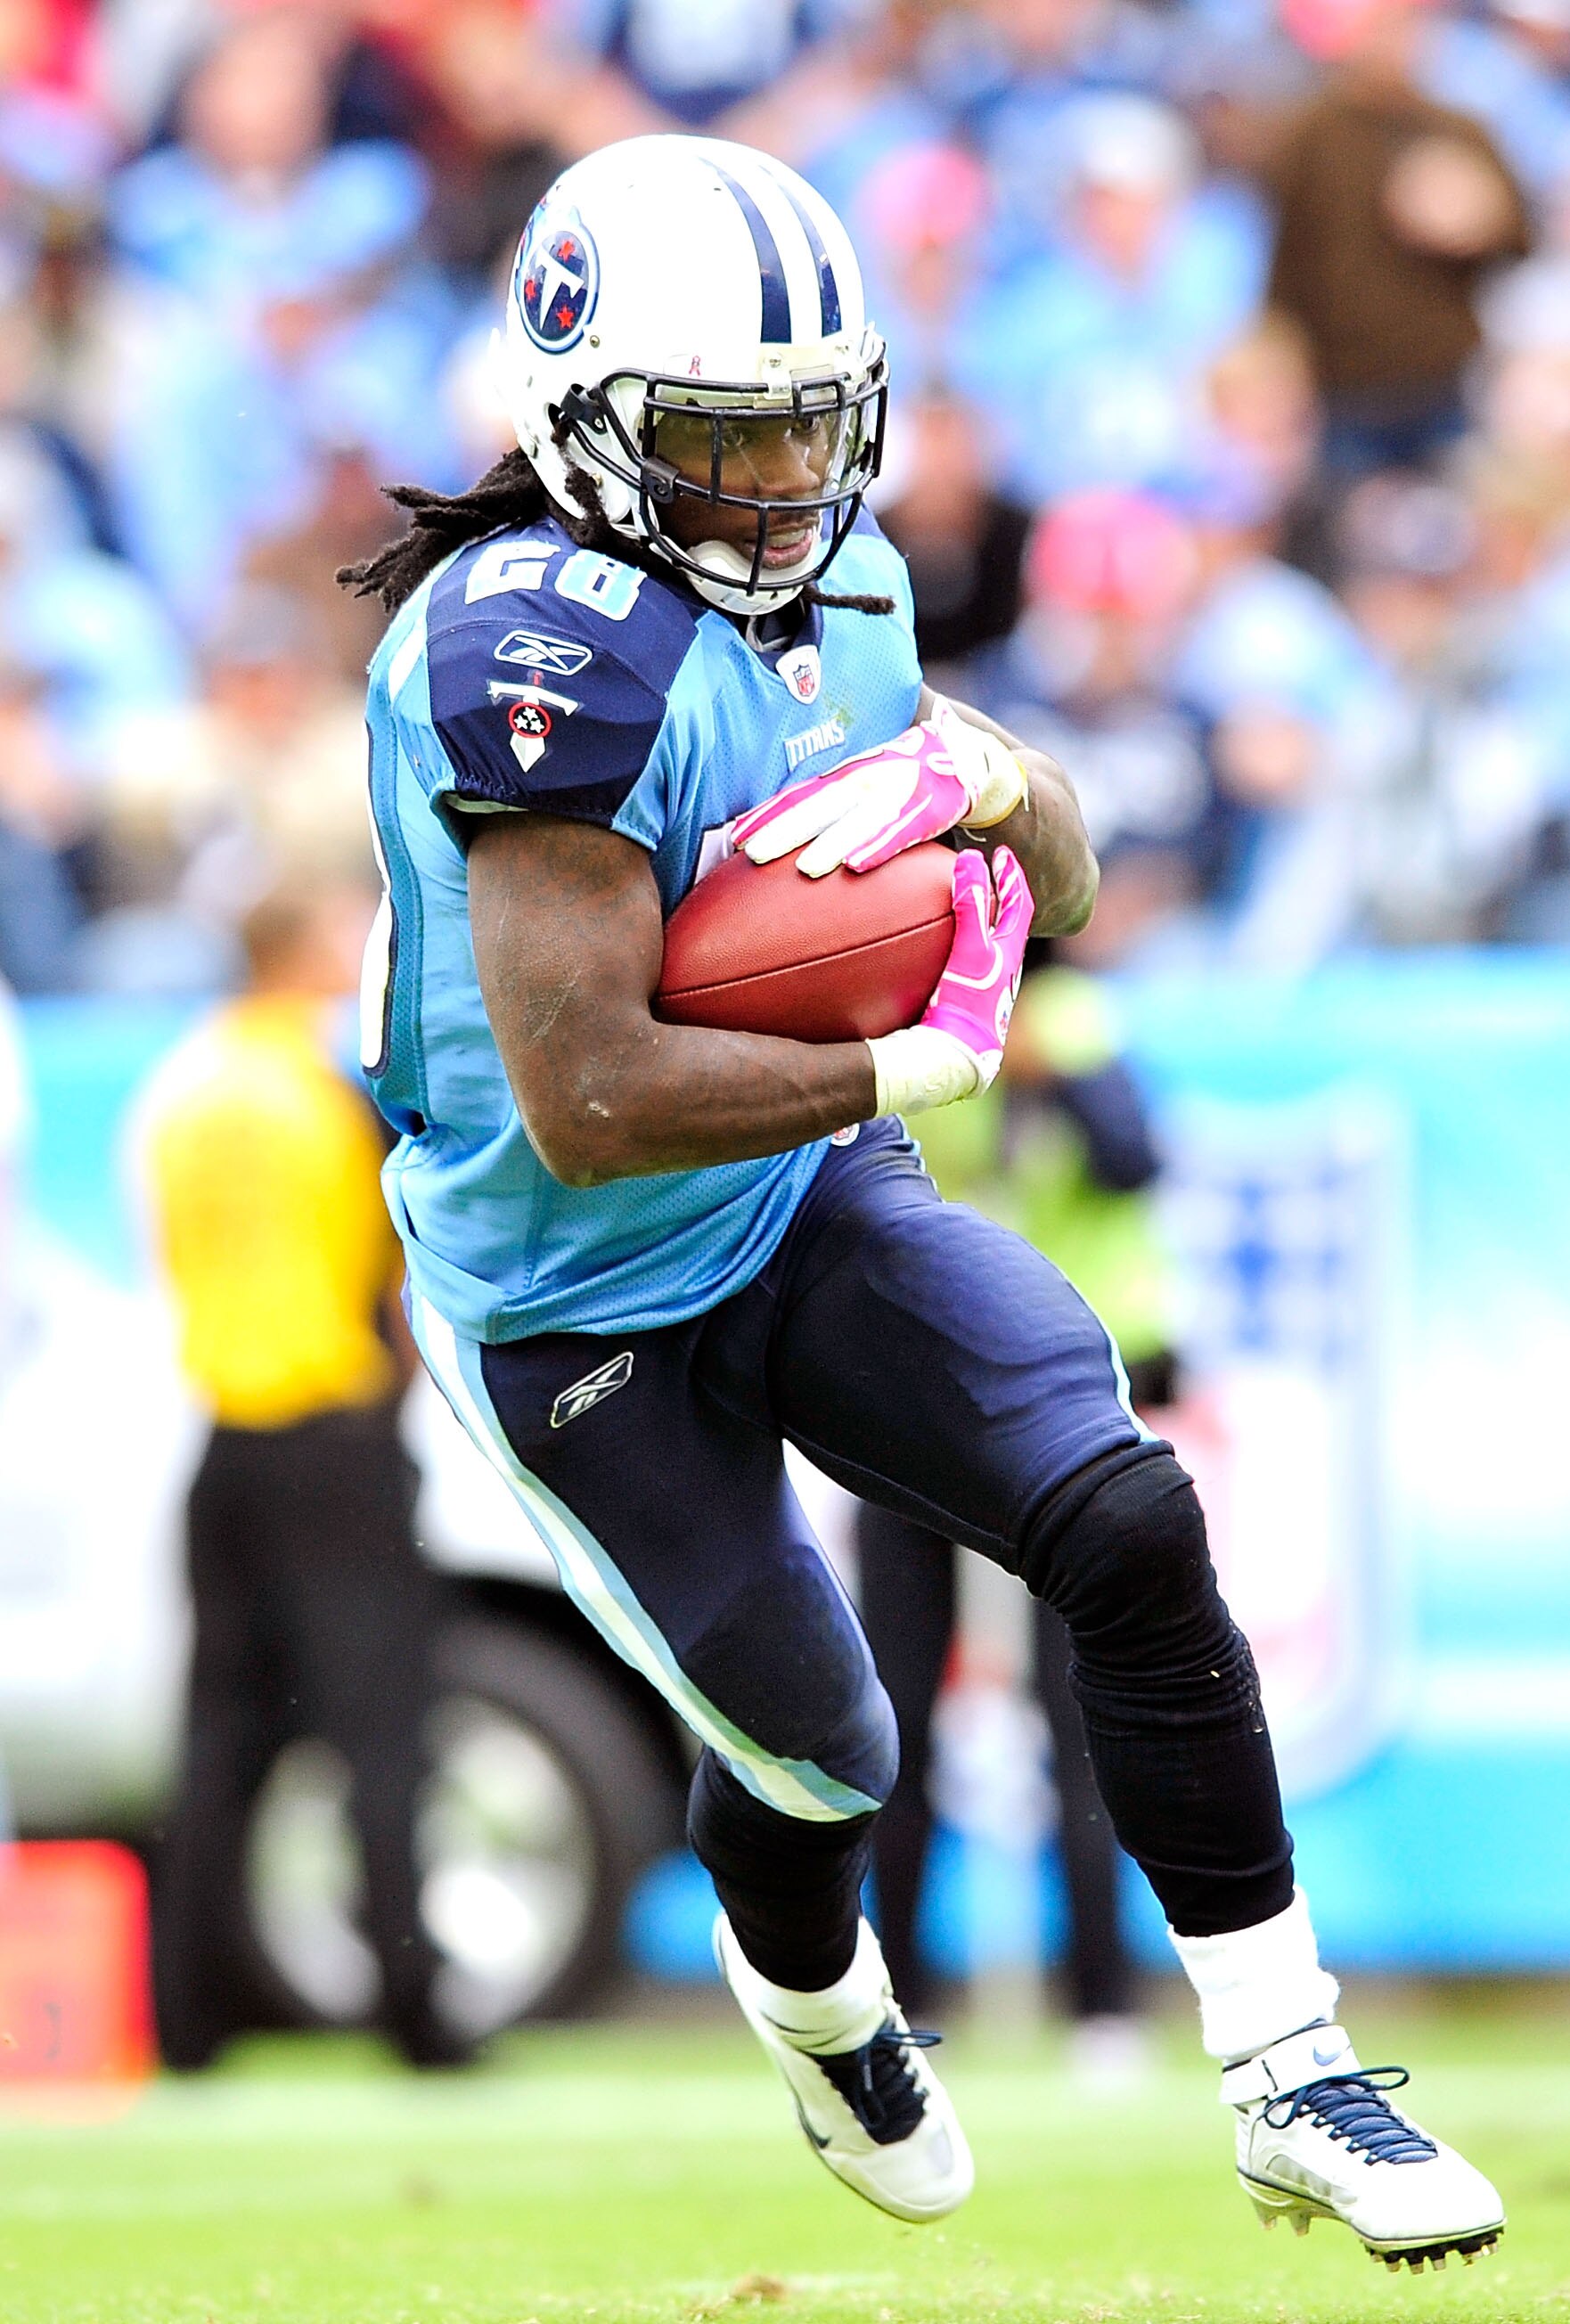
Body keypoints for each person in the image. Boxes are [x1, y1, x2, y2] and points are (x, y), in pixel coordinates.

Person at [339, 133, 1502, 2260]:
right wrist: (910, 1052)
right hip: (570, 1287)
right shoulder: (529, 646)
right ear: (579, 424)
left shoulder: (852, 596)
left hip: (790, 1193)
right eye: (724, 434)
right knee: (820, 1754)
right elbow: (590, 1095)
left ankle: (1287, 2065)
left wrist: (1013, 787)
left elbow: (1048, 883)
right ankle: (812, 1995)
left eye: (809, 421)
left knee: (1125, 1515)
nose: (782, 477)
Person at [140, 872, 464, 2072]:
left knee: (219, 1740)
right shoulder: (327, 1094)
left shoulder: (187, 1090)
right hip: (332, 1436)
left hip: (224, 1436)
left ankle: (185, 2017)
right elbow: (395, 1254)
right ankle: (413, 2010)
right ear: (297, 946)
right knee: (383, 1734)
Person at [856, 958, 1178, 2073]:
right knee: (890, 1707)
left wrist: (1057, 1070)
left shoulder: (1074, 1014)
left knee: (1077, 1710)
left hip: (1059, 1405)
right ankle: (892, 2003)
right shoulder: (895, 1003)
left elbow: (1135, 1159)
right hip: (915, 1394)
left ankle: (1102, 2002)